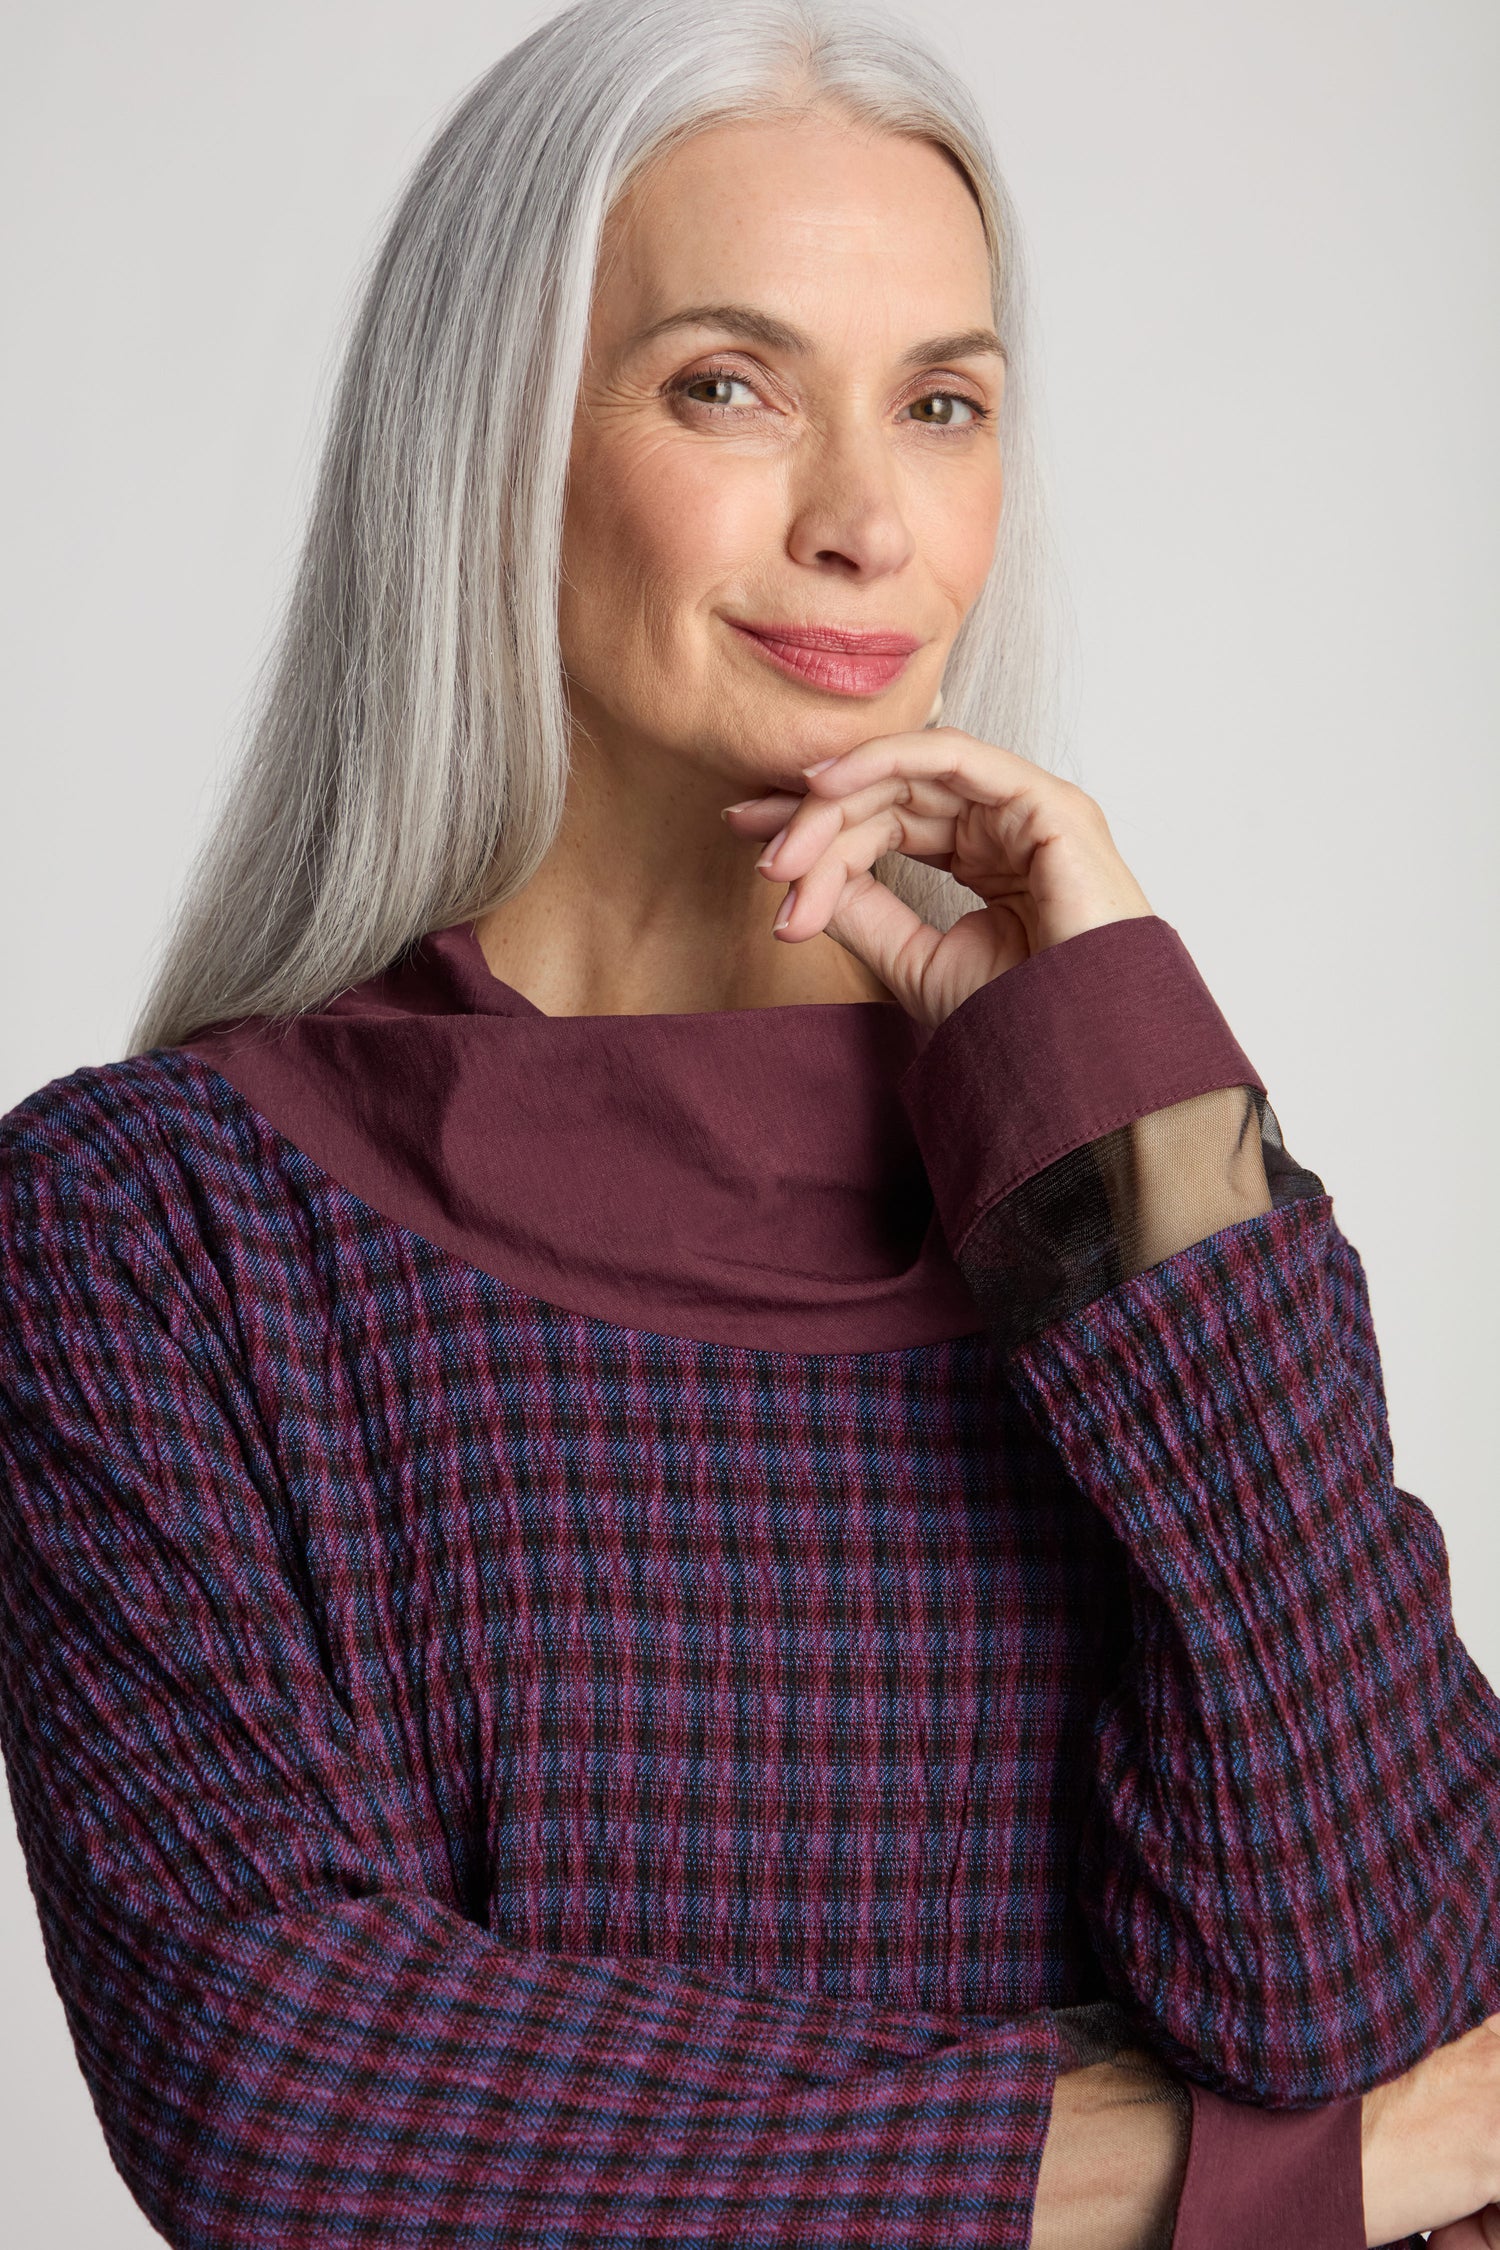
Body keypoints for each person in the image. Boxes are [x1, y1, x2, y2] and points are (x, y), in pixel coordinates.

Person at [1, 0, 1497, 2243]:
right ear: (491, 441)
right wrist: (1262, 2179)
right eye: (729, 383)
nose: (864, 519)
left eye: (945, 405)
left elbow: (1380, 1996)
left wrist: (1113, 1103)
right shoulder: (149, 1226)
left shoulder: (1115, 1203)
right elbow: (293, 2100)